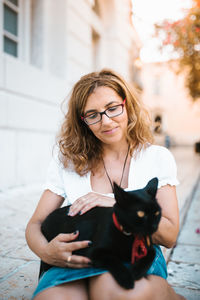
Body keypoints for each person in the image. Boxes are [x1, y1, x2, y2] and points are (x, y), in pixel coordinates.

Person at [26, 69, 185, 300]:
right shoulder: (67, 162)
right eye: (93, 114)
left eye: (112, 108)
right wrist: (47, 253)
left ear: (126, 104)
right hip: (76, 259)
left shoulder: (156, 158)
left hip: (132, 254)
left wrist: (116, 203)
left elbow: (169, 236)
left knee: (114, 292)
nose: (106, 121)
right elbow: (35, 224)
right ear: (83, 121)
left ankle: (170, 296)